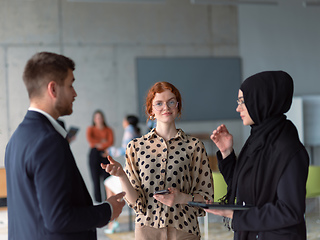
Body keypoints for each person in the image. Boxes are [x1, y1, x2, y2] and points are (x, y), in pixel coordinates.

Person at [4, 51, 125, 240]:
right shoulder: (48, 141)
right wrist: (108, 210)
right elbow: (58, 218)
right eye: (71, 85)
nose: (75, 93)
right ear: (53, 89)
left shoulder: (16, 139)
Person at [101, 81, 214, 240]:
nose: (166, 108)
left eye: (171, 102)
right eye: (159, 103)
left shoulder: (194, 146)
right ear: (150, 110)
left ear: (178, 106)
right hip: (147, 230)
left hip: (184, 230)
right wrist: (122, 175)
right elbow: (136, 203)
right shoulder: (136, 147)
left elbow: (207, 198)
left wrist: (182, 198)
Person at [206, 71, 309, 240]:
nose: (238, 108)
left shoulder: (288, 149)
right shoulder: (256, 141)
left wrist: (233, 214)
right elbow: (243, 187)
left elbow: (290, 211)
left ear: (262, 100)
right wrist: (226, 152)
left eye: (242, 101)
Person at [103, 115, 141, 234]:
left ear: (127, 122)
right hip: (137, 170)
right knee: (113, 188)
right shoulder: (136, 131)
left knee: (108, 183)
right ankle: (113, 220)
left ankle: (112, 220)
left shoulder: (129, 130)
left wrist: (110, 151)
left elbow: (126, 149)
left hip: (129, 170)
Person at [86, 110, 114, 202]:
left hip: (105, 154)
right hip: (94, 155)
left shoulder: (108, 129)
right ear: (94, 119)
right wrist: (103, 142)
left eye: (100, 117)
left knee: (107, 180)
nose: (99, 119)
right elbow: (91, 141)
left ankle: (108, 202)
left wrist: (100, 144)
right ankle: (98, 203)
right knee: (95, 180)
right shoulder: (91, 129)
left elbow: (110, 142)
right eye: (97, 118)